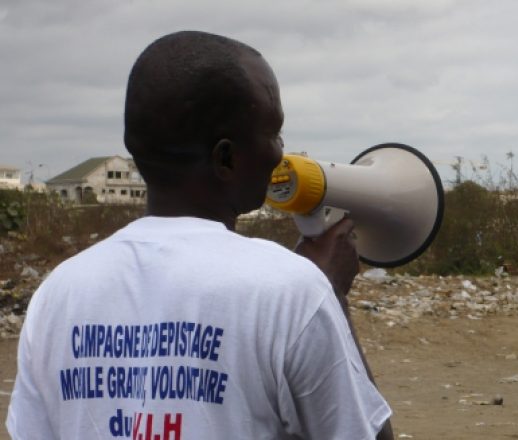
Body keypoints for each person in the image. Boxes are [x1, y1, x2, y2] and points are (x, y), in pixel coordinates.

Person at [6, 30, 394, 439]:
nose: (281, 153)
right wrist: (330, 293)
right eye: (273, 133)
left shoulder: (58, 295)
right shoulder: (290, 290)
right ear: (225, 158)